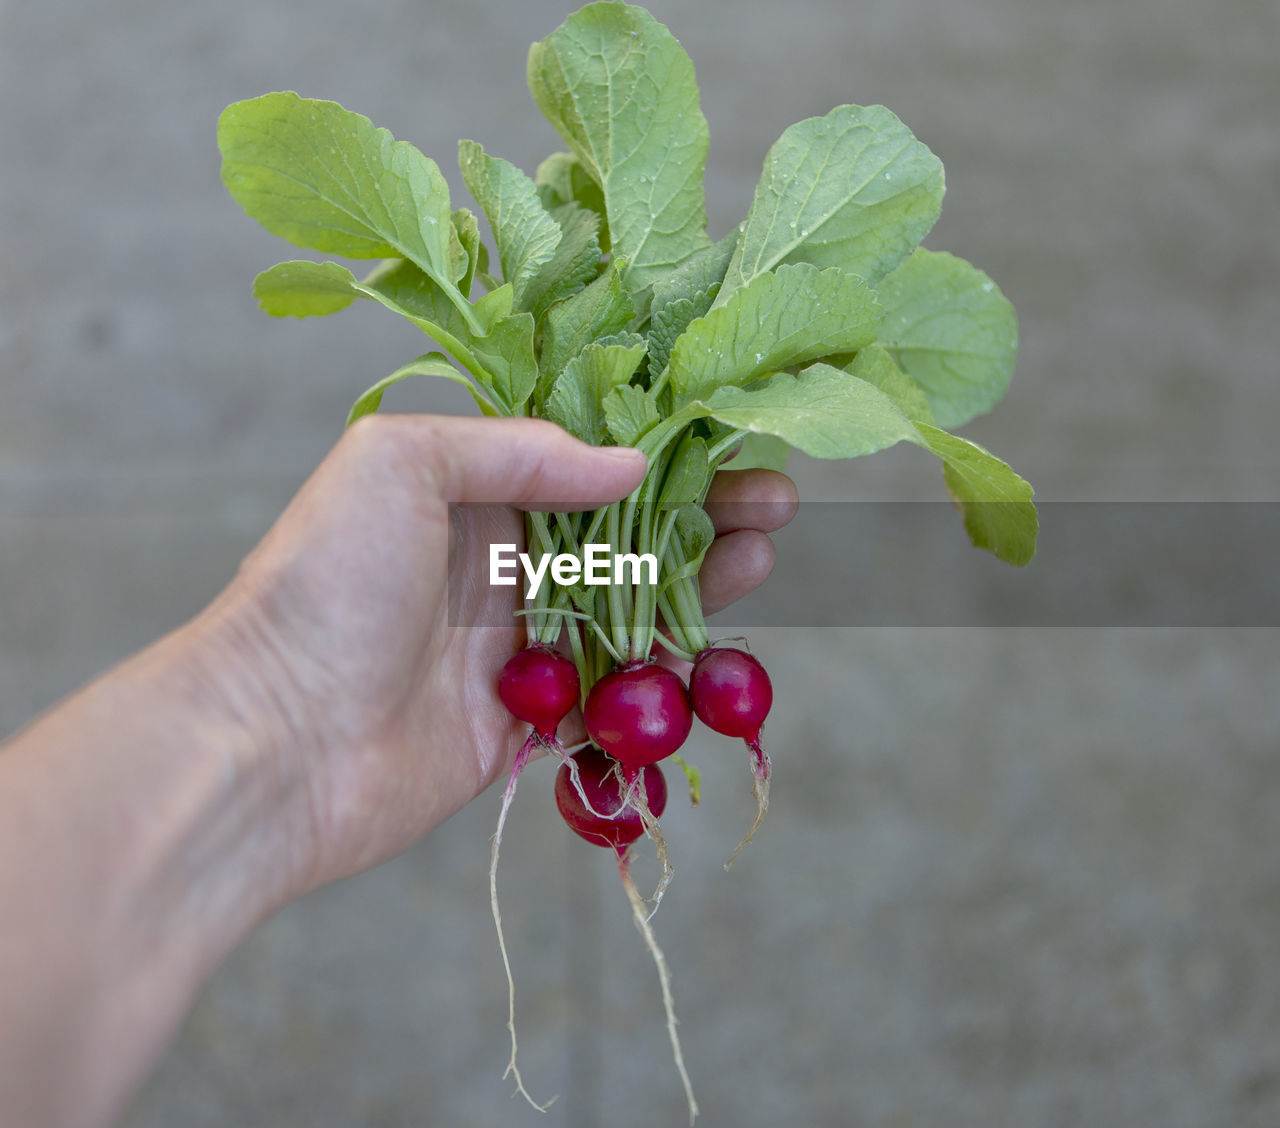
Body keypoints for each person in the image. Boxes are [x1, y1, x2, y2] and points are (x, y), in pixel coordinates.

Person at [0, 413, 798, 1128]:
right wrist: (277, 694)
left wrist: (276, 712)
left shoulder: (590, 689)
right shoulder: (561, 676)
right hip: (589, 676)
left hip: (599, 679)